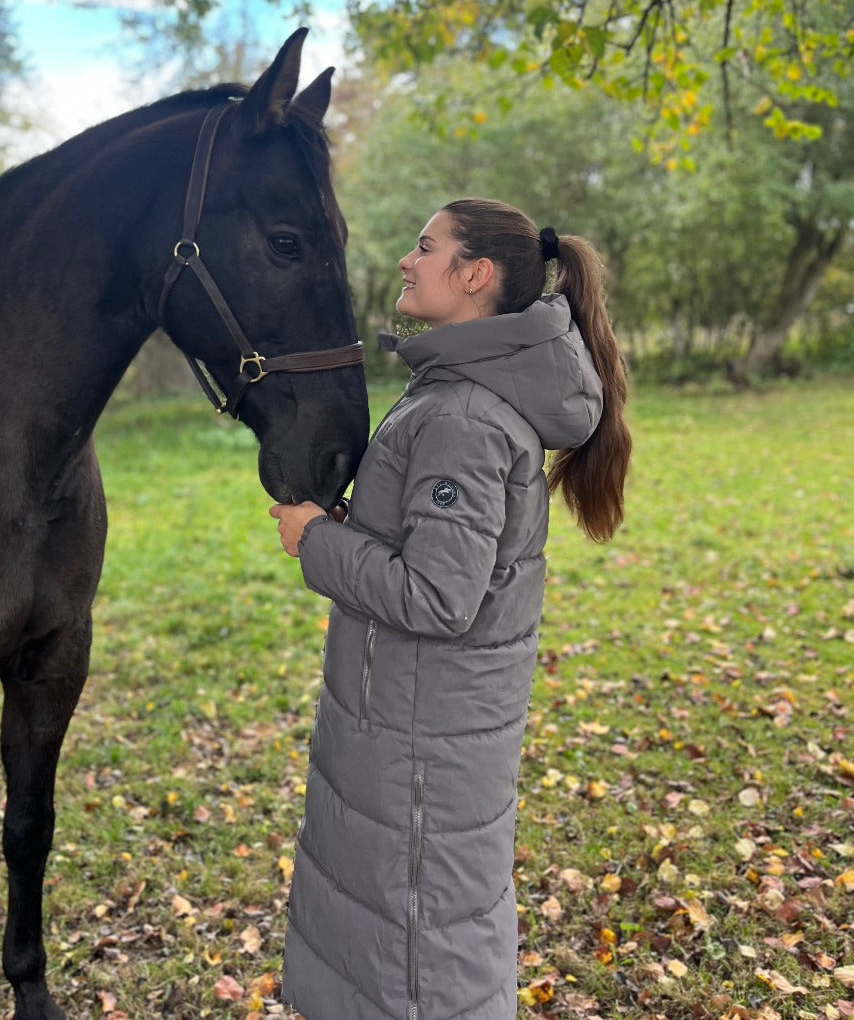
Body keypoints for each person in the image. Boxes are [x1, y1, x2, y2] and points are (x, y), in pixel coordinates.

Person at [269, 198, 632, 1020]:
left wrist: (312, 542)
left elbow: (438, 596)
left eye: (424, 247)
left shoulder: (465, 415)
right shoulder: (456, 391)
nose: (406, 259)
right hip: (407, 726)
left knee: (420, 957)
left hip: (420, 745)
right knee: (401, 938)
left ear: (475, 276)